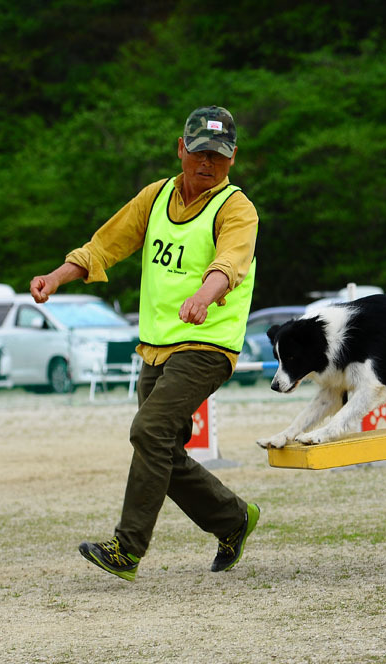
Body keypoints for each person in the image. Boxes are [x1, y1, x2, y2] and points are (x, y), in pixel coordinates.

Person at [29, 106, 260, 581]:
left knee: (148, 431)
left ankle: (127, 549)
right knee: (161, 451)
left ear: (232, 158)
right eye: (198, 152)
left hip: (207, 344)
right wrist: (57, 277)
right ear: (181, 149)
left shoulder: (236, 208)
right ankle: (233, 519)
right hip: (156, 346)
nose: (206, 163)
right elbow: (104, 246)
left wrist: (204, 294)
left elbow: (231, 263)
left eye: (217, 156)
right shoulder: (154, 198)